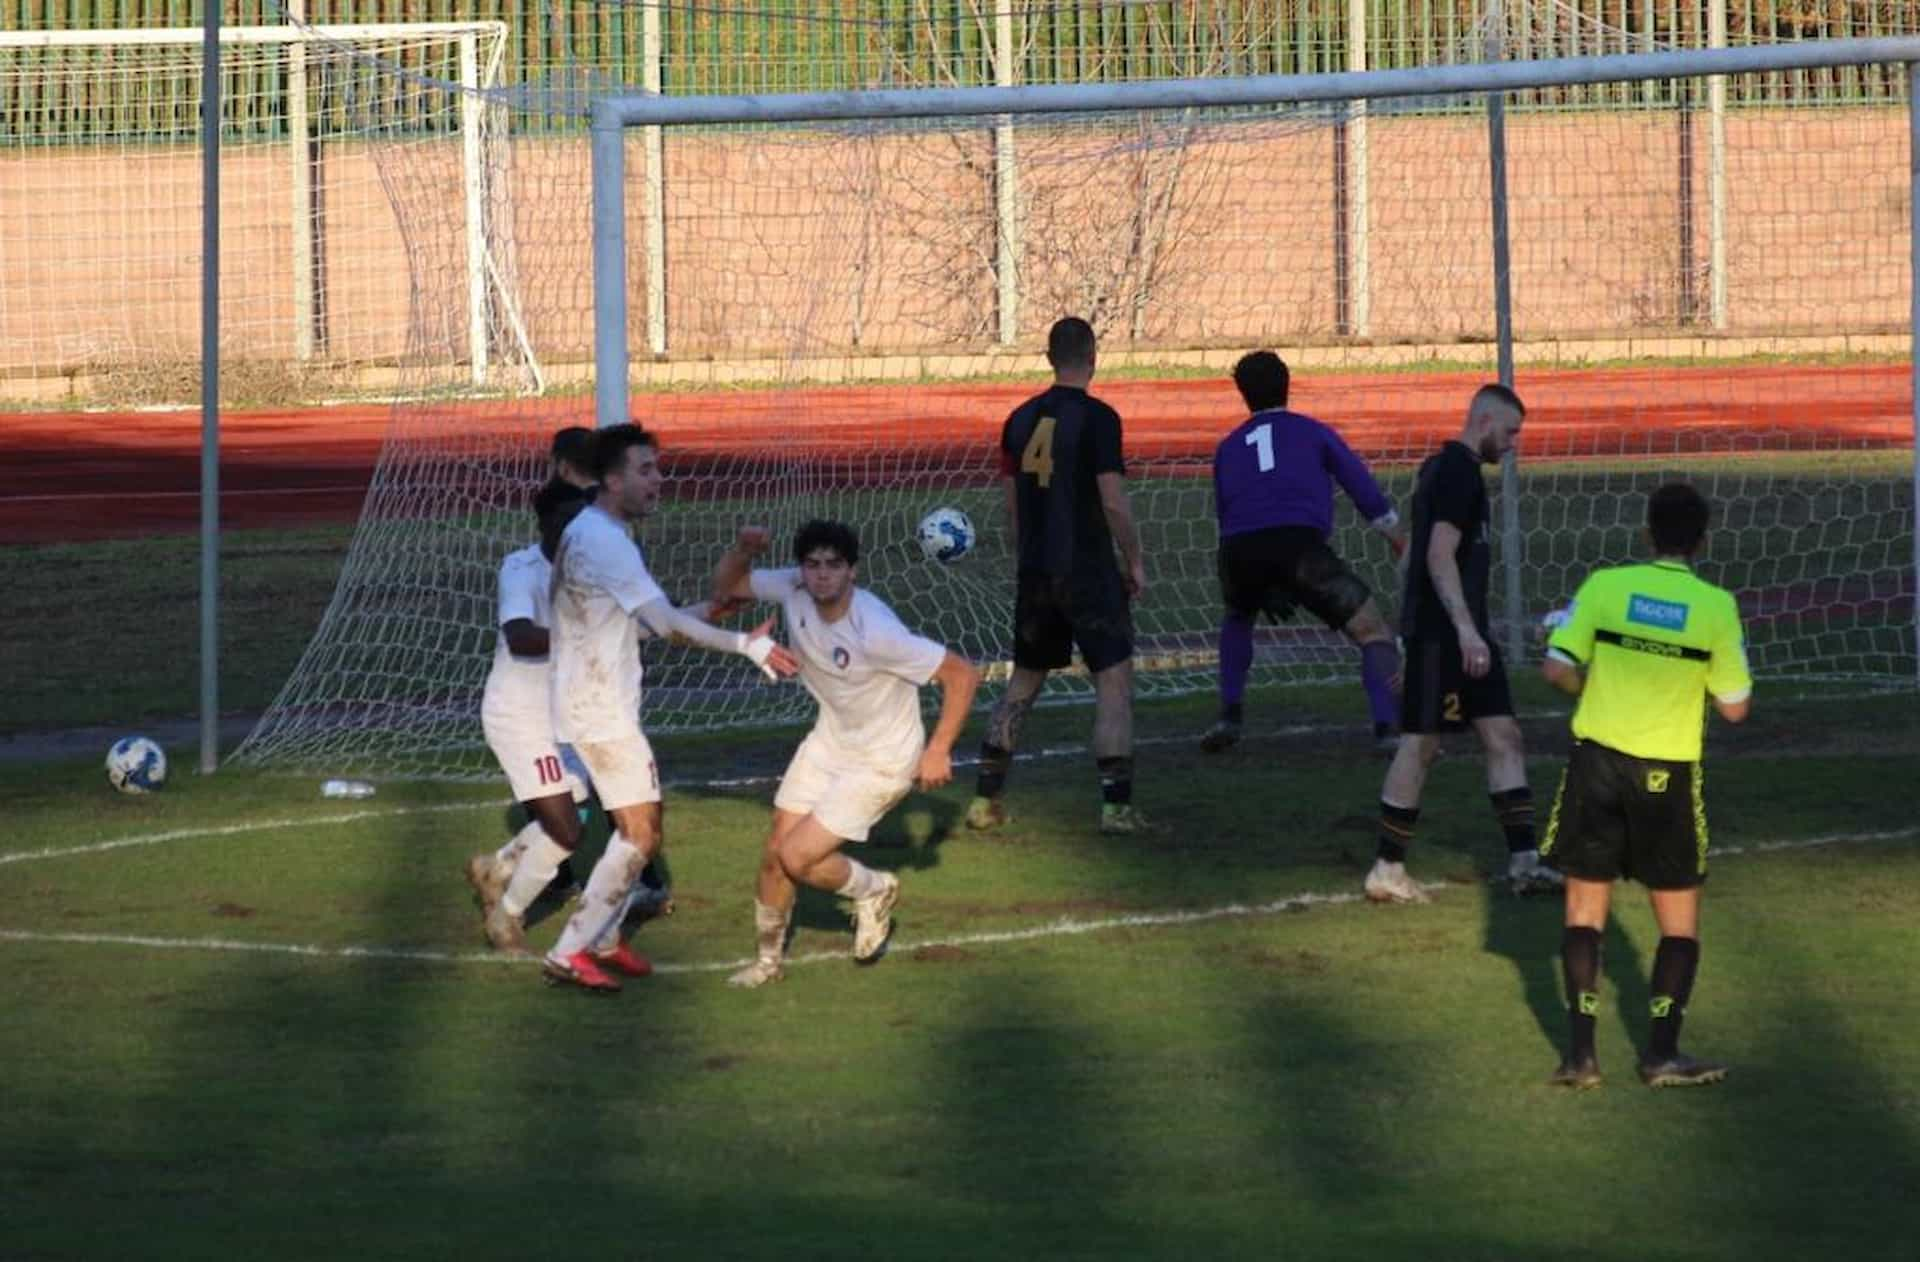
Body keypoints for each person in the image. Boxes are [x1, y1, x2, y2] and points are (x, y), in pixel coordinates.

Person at [532, 422, 800, 993]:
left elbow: (640, 625)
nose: (659, 481)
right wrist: (745, 645)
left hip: (586, 700)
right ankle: (570, 948)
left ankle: (601, 937)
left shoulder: (594, 530)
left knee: (640, 825)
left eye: (658, 468)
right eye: (645, 470)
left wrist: (706, 611)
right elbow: (663, 626)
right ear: (610, 479)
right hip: (599, 710)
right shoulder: (604, 539)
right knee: (640, 833)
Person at [1539, 483, 1751, 1088]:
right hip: (1668, 774)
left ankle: (1581, 1058)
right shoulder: (1716, 607)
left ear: (1645, 534)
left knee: (1584, 910)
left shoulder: (1605, 587)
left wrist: (1594, 690)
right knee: (1678, 924)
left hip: (1596, 765)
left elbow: (1556, 668)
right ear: (1703, 542)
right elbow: (1735, 709)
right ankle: (1660, 1054)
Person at [708, 520, 980, 986]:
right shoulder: (793, 588)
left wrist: (938, 750)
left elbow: (962, 674)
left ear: (852, 571)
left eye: (834, 565)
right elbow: (728, 585)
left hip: (883, 759)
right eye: (812, 565)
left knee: (798, 857)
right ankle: (768, 964)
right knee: (776, 851)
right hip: (831, 740)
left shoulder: (875, 629)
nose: (821, 575)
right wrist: (743, 547)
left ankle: (875, 888)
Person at [1366, 383, 1561, 903]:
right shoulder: (1457, 473)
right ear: (1484, 423)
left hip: (1453, 633)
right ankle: (1387, 868)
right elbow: (1436, 555)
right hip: (1452, 634)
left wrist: (1414, 632)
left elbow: (1409, 557)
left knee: (1504, 736)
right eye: (1511, 432)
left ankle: (1524, 863)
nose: (1515, 444)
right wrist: (1457, 632)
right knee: (1421, 744)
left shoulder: (1441, 469)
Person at [965, 316, 1148, 835]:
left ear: (1049, 358)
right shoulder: (1099, 419)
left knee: (1022, 683)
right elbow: (1113, 500)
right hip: (1088, 570)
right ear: (1093, 357)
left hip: (1038, 571)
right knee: (1113, 684)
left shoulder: (1018, 419)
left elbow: (1011, 504)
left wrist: (1027, 558)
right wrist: (1133, 559)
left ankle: (985, 801)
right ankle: (1116, 809)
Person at [1200, 350, 1407, 755]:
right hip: (1299, 547)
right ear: (1288, 385)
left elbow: (1226, 512)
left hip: (1238, 550)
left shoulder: (1227, 447)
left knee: (1239, 616)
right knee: (1372, 630)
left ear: (1243, 394)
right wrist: (1398, 539)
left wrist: (1262, 579)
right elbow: (1361, 487)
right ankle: (1387, 727)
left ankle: (1229, 714)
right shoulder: (1313, 432)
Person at [465, 478, 596, 946]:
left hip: (563, 718)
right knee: (566, 831)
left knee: (577, 809)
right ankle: (506, 916)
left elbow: (643, 613)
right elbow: (521, 637)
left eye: (580, 523)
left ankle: (496, 867)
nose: (571, 533)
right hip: (520, 715)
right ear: (543, 524)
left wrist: (707, 618)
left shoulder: (591, 570)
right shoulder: (520, 569)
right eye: (562, 523)